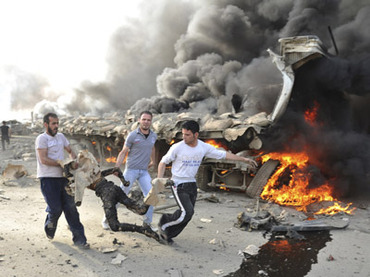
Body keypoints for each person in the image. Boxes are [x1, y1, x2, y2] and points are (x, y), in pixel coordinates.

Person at [156, 120, 258, 245]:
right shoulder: (177, 147)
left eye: (187, 135)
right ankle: (164, 223)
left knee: (188, 214)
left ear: (196, 135)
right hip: (178, 183)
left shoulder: (203, 147)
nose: (184, 137)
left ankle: (168, 234)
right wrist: (160, 180)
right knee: (186, 212)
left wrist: (244, 159)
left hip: (192, 184)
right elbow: (163, 162)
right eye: (183, 134)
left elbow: (223, 155)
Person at [35, 112, 89, 249]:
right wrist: (62, 163)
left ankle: (80, 240)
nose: (56, 126)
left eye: (57, 123)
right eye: (53, 123)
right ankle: (50, 227)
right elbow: (43, 159)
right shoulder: (42, 139)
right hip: (48, 179)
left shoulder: (61, 137)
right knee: (55, 209)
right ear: (46, 124)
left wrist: (74, 160)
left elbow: (70, 151)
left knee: (71, 208)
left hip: (64, 178)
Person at [102, 111, 158, 231]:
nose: (146, 122)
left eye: (148, 120)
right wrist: (116, 168)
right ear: (139, 120)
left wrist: (153, 161)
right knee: (120, 195)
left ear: (151, 121)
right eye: (144, 119)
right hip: (131, 170)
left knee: (151, 196)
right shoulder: (133, 135)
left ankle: (147, 223)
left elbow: (152, 148)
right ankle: (107, 219)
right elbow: (123, 152)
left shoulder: (154, 136)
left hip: (144, 172)